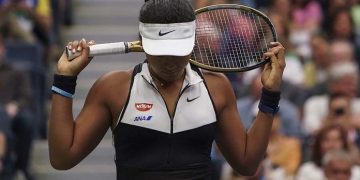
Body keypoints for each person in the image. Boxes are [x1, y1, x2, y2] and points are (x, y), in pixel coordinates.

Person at [48, 0, 286, 179]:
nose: (170, 61)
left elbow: (247, 164)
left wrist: (270, 94)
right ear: (143, 42)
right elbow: (62, 158)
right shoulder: (113, 89)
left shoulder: (217, 87)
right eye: (162, 52)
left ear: (193, 42)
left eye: (177, 50)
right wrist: (64, 79)